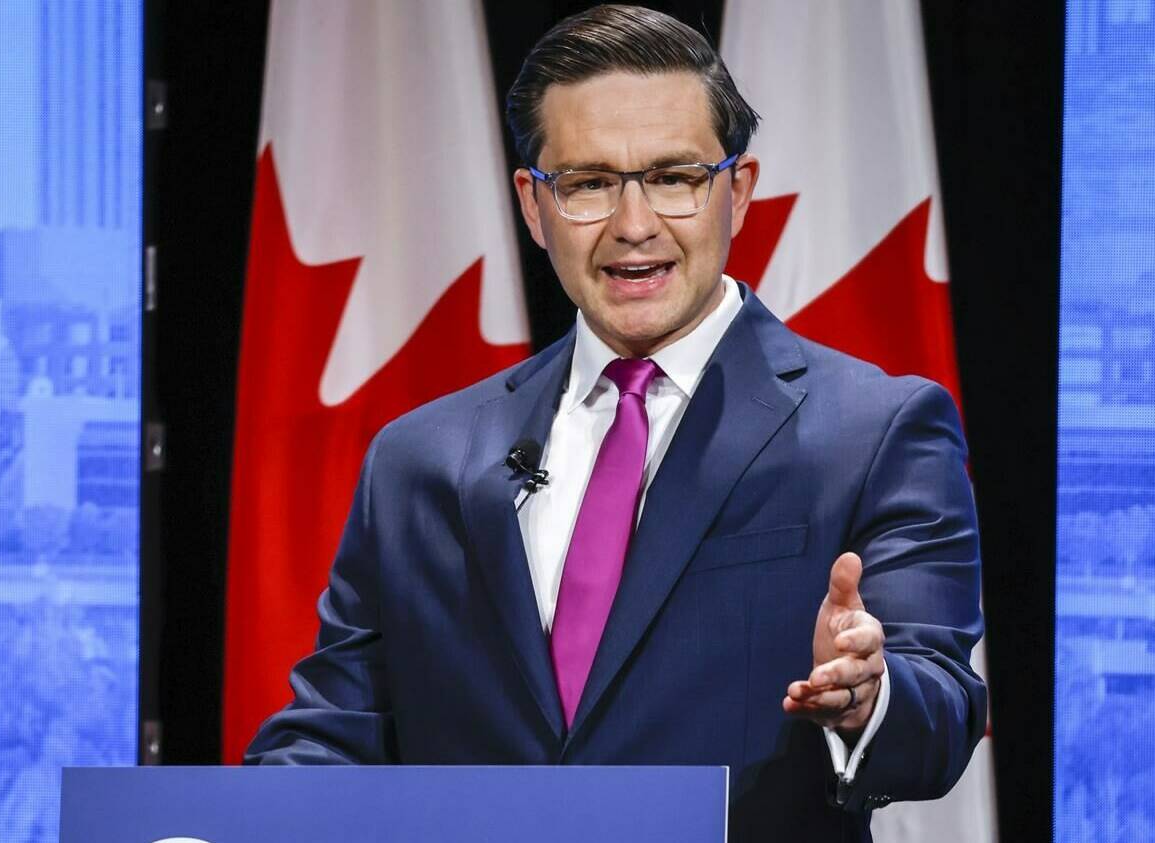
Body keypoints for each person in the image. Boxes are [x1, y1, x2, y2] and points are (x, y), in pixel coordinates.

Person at [245, 5, 986, 839]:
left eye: (674, 178)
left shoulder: (876, 430)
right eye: (590, 183)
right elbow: (335, 730)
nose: (634, 225)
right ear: (534, 205)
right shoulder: (419, 459)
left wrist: (867, 693)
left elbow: (943, 709)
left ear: (736, 192)